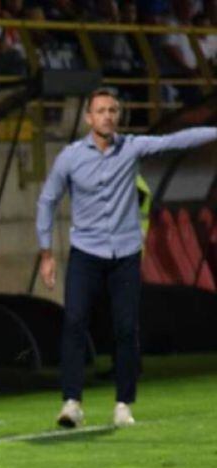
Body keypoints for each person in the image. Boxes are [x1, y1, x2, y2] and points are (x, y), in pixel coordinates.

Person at [36, 88, 217, 429]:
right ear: (89, 118)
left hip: (125, 255)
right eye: (101, 110)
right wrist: (46, 253)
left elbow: (178, 140)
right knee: (74, 322)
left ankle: (123, 404)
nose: (107, 116)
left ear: (118, 116)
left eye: (113, 110)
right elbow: (46, 200)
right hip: (86, 253)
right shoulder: (71, 157)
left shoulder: (131, 147)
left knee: (125, 328)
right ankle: (71, 403)